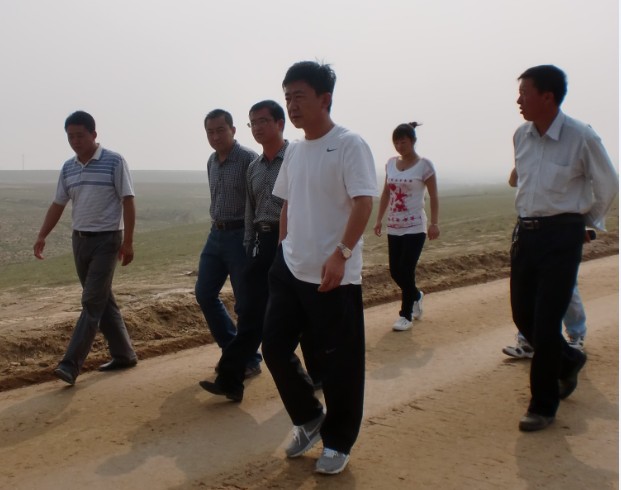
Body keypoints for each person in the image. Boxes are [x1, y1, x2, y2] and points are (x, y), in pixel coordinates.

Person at [261, 61, 377, 475]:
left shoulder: (349, 144)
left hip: (333, 276)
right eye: (287, 96)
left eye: (299, 96)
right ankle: (310, 417)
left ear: (325, 99)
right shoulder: (294, 150)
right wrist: (282, 248)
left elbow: (363, 202)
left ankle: (339, 441)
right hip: (290, 268)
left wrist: (341, 253)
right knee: (274, 347)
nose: (291, 105)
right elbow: (288, 203)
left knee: (338, 363)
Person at [509, 65, 618, 432]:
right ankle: (569, 359)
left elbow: (608, 183)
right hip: (526, 233)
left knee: (545, 321)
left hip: (562, 235)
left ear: (548, 96)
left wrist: (585, 223)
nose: (519, 100)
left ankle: (542, 405)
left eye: (524, 93)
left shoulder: (580, 135)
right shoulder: (521, 136)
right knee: (523, 316)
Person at [199, 100, 321, 401]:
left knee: (298, 310)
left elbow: (306, 203)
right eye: (253, 123)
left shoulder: (295, 158)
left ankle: (318, 373)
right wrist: (249, 247)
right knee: (252, 311)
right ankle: (231, 378)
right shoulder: (254, 168)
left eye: (263, 121)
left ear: (280, 123)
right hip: (262, 243)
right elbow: (250, 212)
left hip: (294, 242)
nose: (257, 128)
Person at [33, 110, 138, 386]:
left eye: (80, 135)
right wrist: (42, 235)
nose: (75, 141)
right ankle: (124, 354)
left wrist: (128, 242)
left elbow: (128, 200)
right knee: (102, 299)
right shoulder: (68, 167)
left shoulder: (114, 161)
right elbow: (58, 203)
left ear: (94, 134)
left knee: (91, 301)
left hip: (107, 240)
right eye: (70, 137)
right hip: (80, 240)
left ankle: (70, 365)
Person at [194, 109, 261, 377]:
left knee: (244, 302)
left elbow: (258, 201)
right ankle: (233, 350)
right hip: (216, 234)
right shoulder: (211, 161)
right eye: (210, 132)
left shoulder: (248, 159)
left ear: (233, 130)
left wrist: (253, 240)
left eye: (220, 130)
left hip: (241, 235)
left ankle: (249, 360)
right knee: (204, 293)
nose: (215, 136)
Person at [504, 168, 588, 357]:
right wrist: (521, 166)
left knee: (565, 286)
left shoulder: (568, 154)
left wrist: (581, 225)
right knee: (530, 286)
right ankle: (529, 340)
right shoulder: (528, 152)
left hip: (561, 228)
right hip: (530, 228)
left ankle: (576, 334)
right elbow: (513, 182)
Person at [373, 122, 440, 331]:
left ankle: (406, 315)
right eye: (396, 142)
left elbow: (434, 196)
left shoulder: (425, 165)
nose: (399, 146)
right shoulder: (391, 164)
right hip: (394, 225)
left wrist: (434, 223)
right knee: (395, 271)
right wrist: (379, 219)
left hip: (415, 225)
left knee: (406, 269)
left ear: (413, 141)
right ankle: (416, 295)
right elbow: (386, 193)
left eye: (403, 141)